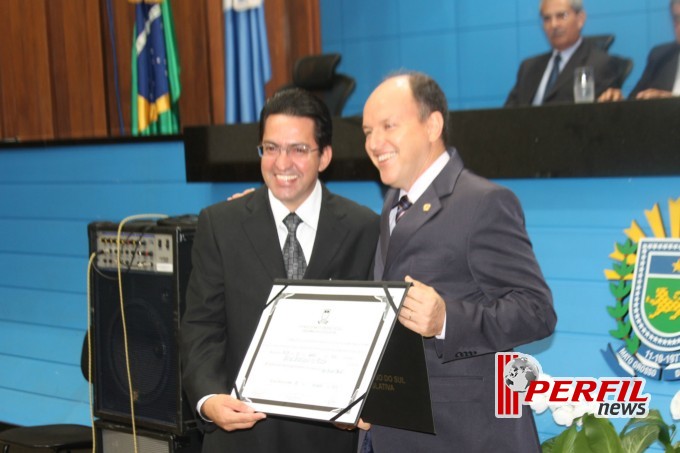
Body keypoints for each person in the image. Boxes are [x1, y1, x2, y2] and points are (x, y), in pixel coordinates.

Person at [361, 72, 557, 452]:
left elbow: (538, 311)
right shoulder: (392, 206)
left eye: (388, 126)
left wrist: (446, 320)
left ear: (432, 124)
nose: (373, 143)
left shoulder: (483, 202)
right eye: (367, 131)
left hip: (466, 436)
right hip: (396, 430)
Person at [180, 87, 380, 453]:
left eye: (298, 149)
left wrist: (364, 400)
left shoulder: (364, 228)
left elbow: (378, 338)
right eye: (270, 148)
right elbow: (201, 325)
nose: (281, 162)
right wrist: (208, 398)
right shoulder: (220, 224)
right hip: (241, 436)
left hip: (329, 440)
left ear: (325, 157)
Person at [505, 0, 620, 106]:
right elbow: (507, 116)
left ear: (580, 19)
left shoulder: (600, 65)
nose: (554, 25)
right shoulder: (528, 67)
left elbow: (598, 118)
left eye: (562, 16)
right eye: (547, 18)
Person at [600, 0, 680, 101]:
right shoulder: (661, 56)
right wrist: (617, 102)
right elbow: (634, 101)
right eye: (676, 18)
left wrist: (670, 100)